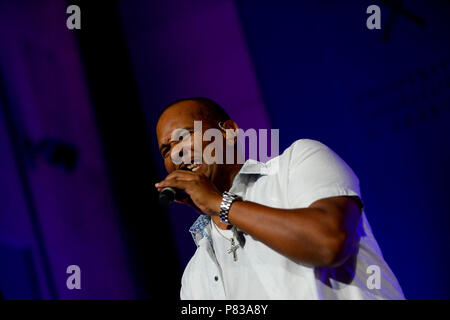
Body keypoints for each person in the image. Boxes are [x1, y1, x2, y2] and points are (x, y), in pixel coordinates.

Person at [155, 97, 405, 299]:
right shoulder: (194, 277)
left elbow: (329, 241)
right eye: (166, 149)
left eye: (185, 135)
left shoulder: (296, 164)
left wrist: (221, 204)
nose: (176, 152)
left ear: (228, 132)